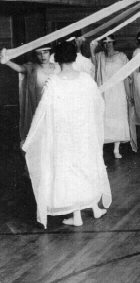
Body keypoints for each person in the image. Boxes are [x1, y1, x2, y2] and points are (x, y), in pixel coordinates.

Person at [22, 41, 111, 228]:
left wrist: (29, 139)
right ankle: (94, 208)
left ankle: (78, 215)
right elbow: (99, 104)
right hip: (83, 133)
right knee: (86, 166)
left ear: (56, 58)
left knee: (70, 170)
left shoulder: (53, 82)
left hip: (64, 135)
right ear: (74, 57)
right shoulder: (86, 79)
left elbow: (41, 112)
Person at [1, 43, 59, 141]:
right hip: (39, 107)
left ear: (50, 54)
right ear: (36, 55)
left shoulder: (58, 67)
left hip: (56, 107)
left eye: (45, 52)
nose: (43, 56)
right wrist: (7, 62)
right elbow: (20, 68)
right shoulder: (33, 68)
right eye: (39, 53)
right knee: (41, 136)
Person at [90, 35, 135, 158]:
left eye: (110, 42)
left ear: (113, 43)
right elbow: (93, 65)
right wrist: (92, 50)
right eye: (105, 42)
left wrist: (128, 94)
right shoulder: (99, 56)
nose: (107, 45)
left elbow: (126, 76)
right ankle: (100, 149)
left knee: (118, 118)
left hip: (118, 93)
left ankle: (116, 149)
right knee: (103, 118)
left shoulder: (121, 56)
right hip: (104, 93)